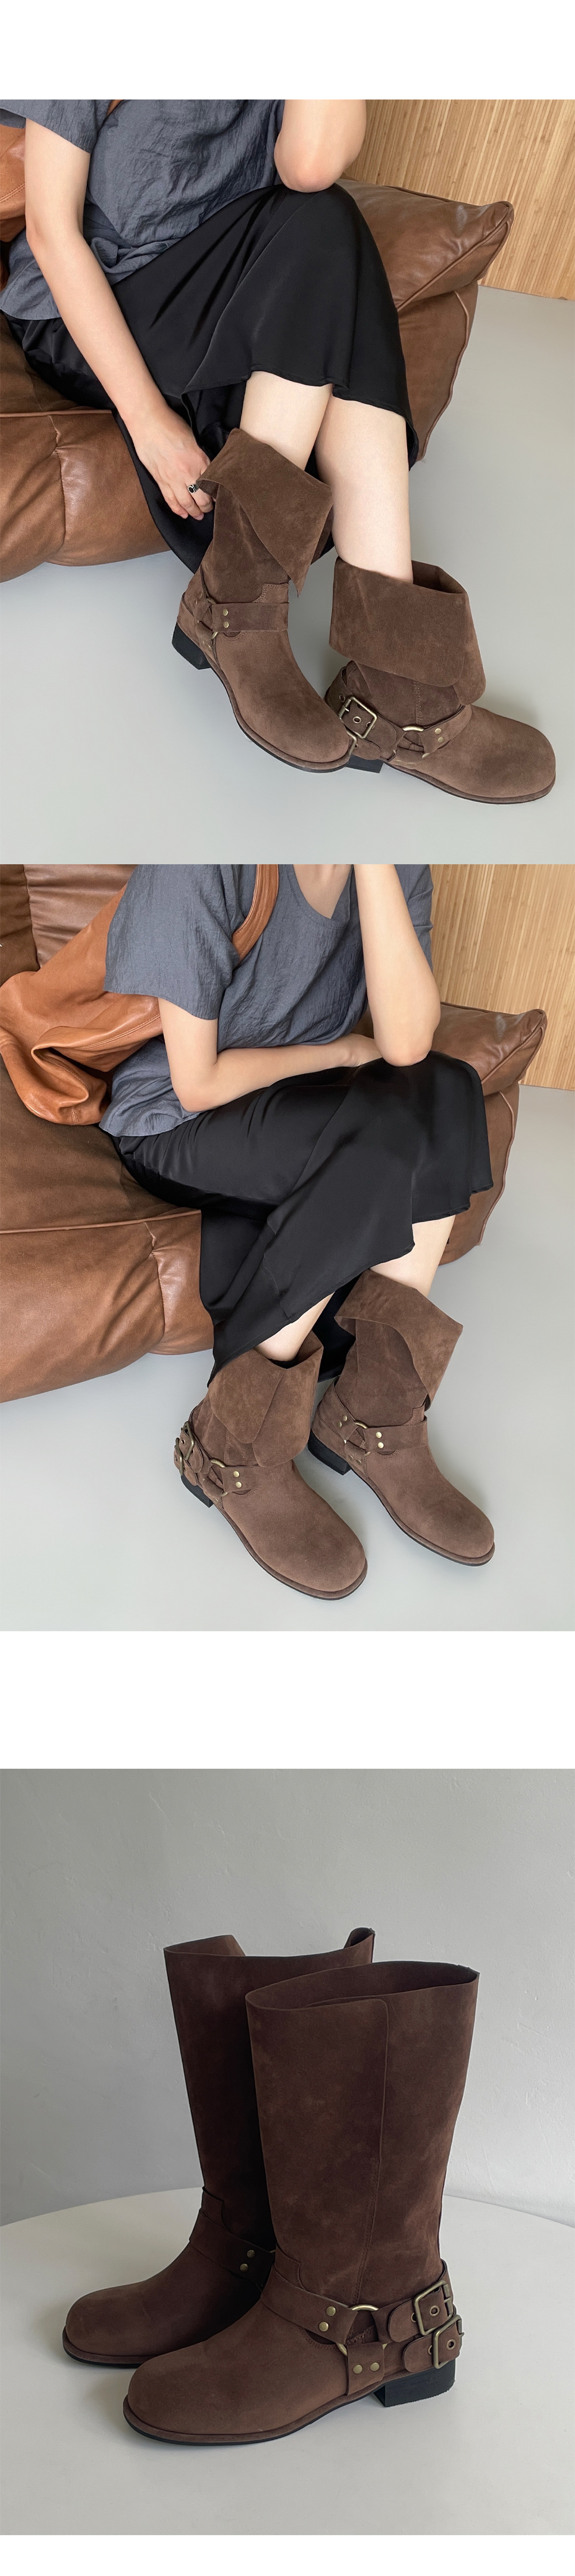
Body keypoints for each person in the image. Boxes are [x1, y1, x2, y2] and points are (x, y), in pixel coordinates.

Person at [0, 98, 554, 792]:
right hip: (92, 306)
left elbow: (310, 165)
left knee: (324, 215)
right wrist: (147, 423)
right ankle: (297, 638)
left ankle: (373, 671)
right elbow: (53, 233)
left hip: (234, 293)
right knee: (324, 230)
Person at [97, 860, 496, 1600]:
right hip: (174, 1122)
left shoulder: (394, 861)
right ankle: (230, 1444)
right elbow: (196, 1083)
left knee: (448, 1086)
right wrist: (341, 1053)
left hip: (301, 1105)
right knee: (374, 1135)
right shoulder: (202, 860)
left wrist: (374, 858)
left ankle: (375, 1415)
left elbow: (408, 1044)